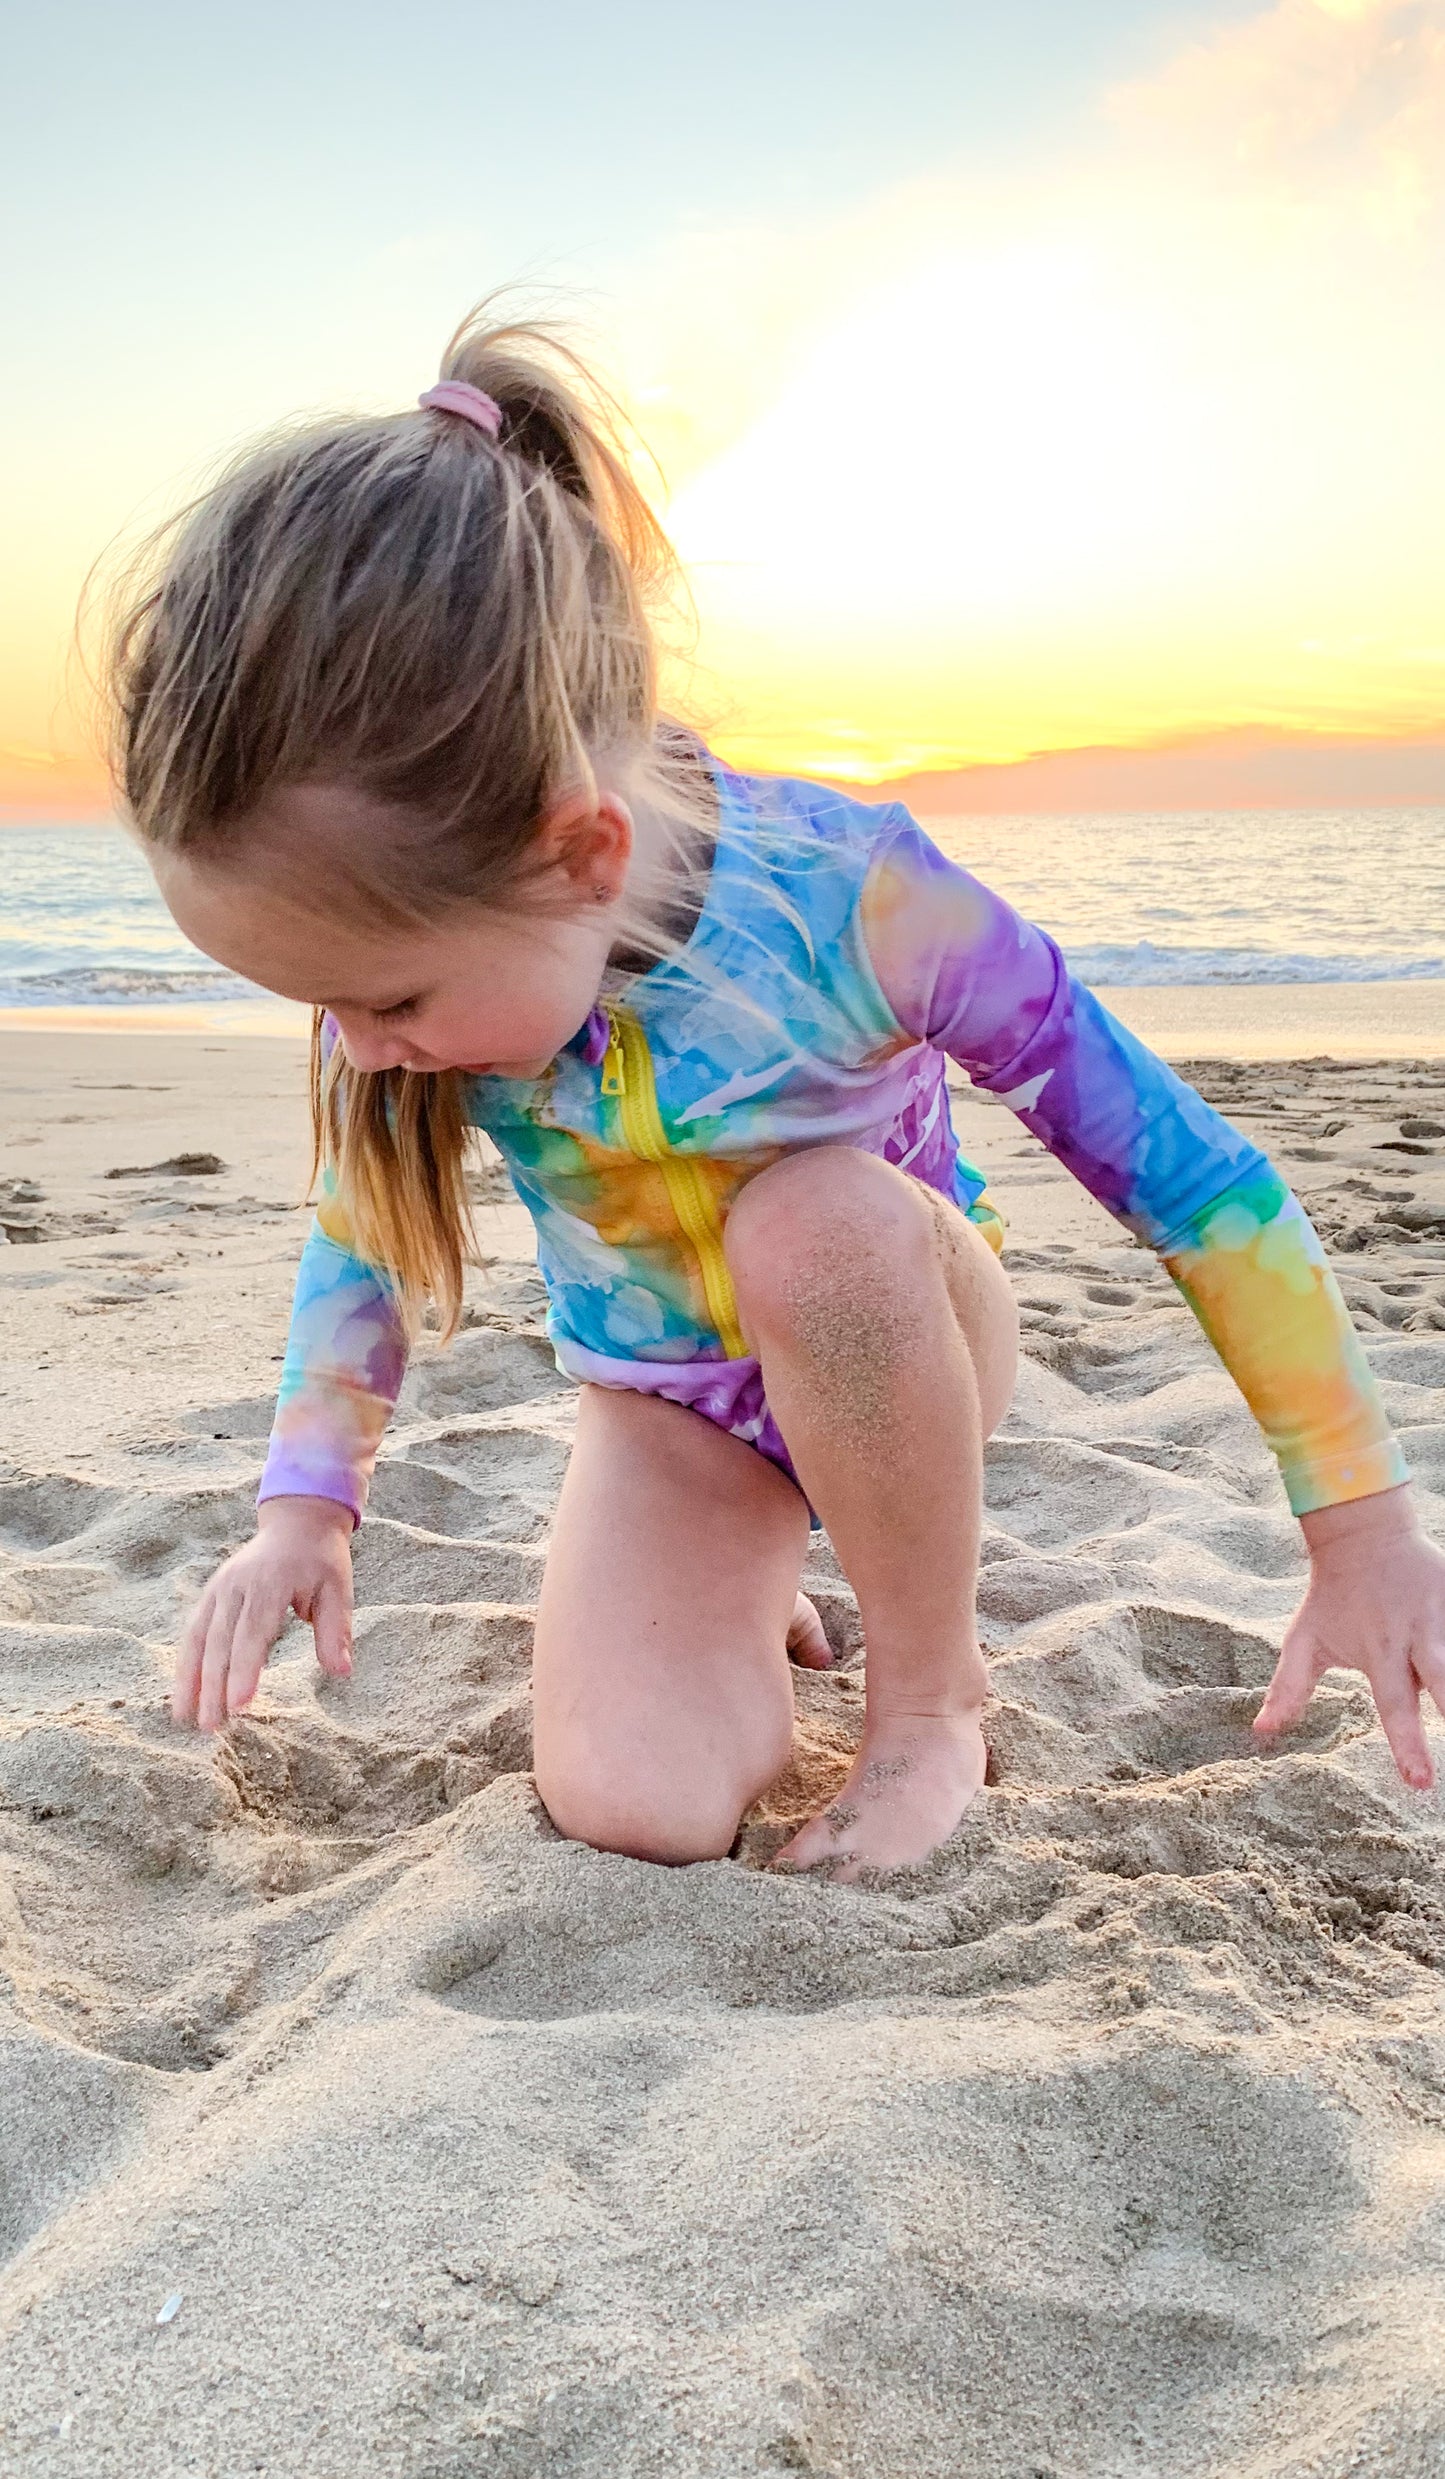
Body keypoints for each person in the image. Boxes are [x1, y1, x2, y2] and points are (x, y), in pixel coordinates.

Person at [110, 311, 1444, 1881]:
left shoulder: (859, 904)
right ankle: (743, 1588)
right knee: (635, 1800)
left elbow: (1197, 1182)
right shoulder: (399, 1000)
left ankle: (928, 1700)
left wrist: (1355, 1518)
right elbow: (364, 1242)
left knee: (805, 1221)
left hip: (901, 1322)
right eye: (320, 1004)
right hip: (675, 1403)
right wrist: (303, 1511)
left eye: (388, 999)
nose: (360, 1043)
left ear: (579, 854)